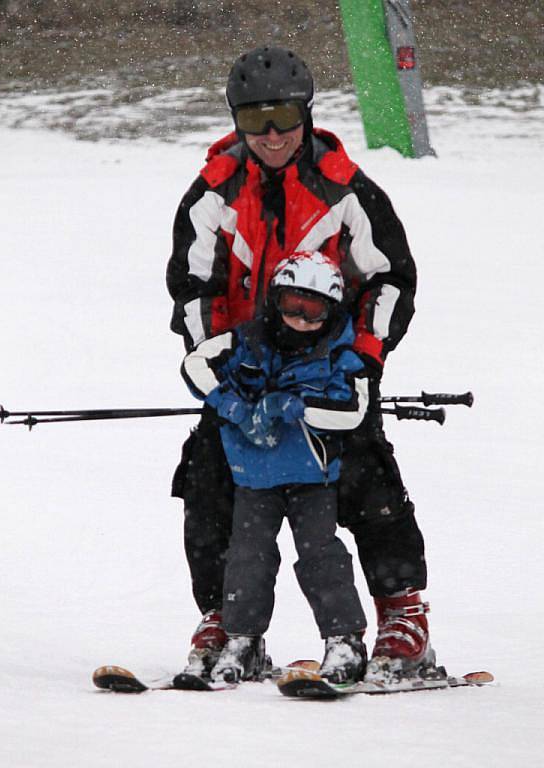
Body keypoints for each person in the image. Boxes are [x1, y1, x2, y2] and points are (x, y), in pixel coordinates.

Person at [167, 46, 434, 682]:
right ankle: (224, 620)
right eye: (257, 120)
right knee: (208, 481)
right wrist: (222, 367)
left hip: (329, 370)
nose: (274, 135)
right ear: (236, 120)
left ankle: (404, 615)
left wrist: (363, 363)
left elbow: (390, 278)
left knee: (366, 476)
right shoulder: (211, 195)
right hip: (247, 376)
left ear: (307, 114)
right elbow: (192, 290)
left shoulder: (345, 190)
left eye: (285, 116)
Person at [181, 251, 369, 684]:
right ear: (275, 301)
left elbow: (353, 410)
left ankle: (344, 641)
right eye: (292, 306)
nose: (301, 320)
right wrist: (227, 402)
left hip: (311, 478)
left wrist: (297, 406)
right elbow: (195, 364)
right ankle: (242, 640)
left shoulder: (340, 355)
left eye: (314, 310)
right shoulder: (245, 340)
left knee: (321, 554)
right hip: (254, 476)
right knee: (247, 557)